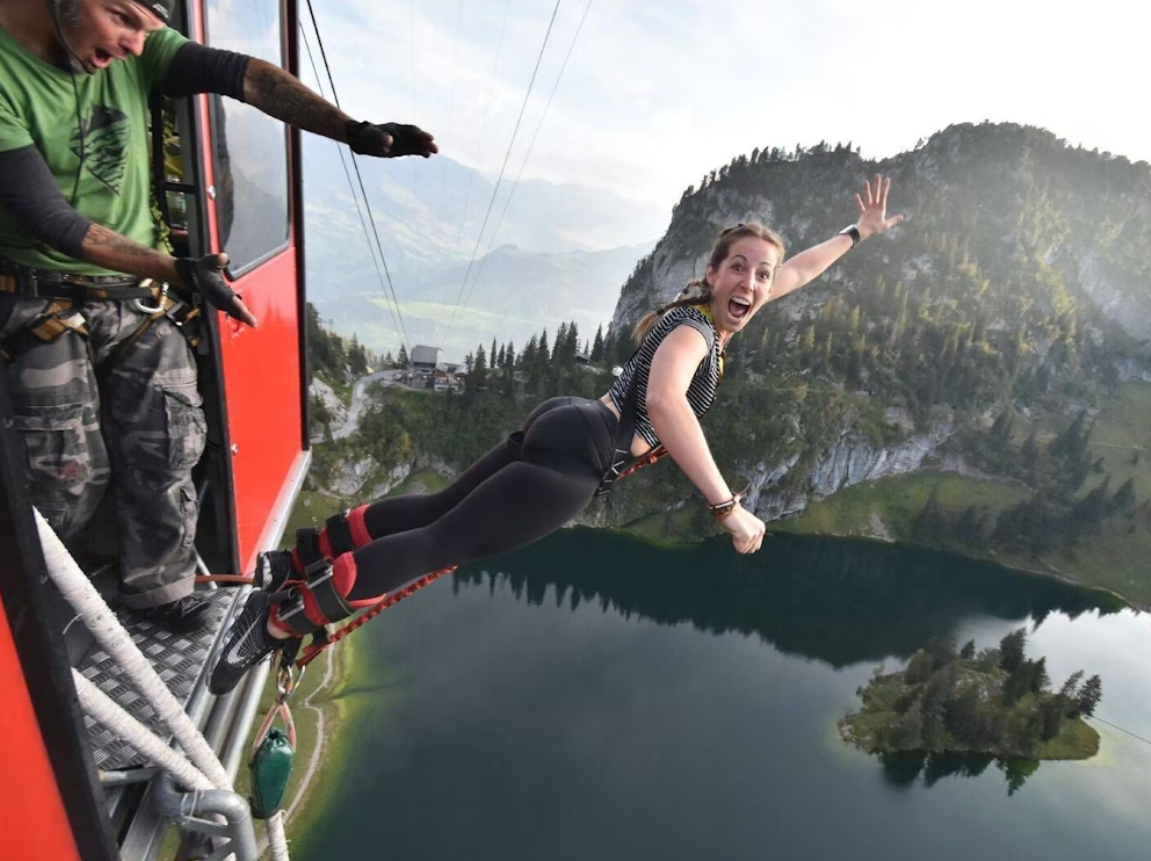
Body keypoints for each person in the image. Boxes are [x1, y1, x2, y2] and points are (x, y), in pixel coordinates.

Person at [210, 174, 904, 693]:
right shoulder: (694, 331)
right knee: (436, 541)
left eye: (760, 273)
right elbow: (665, 402)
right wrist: (727, 507)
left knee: (430, 511)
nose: (754, 281)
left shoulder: (707, 313)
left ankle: (291, 563)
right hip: (581, 459)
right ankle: (276, 622)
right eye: (739, 268)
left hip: (569, 418)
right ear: (713, 273)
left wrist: (855, 235)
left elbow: (798, 271)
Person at [0, 0, 436, 631]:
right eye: (120, 17)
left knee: (169, 443)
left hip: (134, 293)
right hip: (42, 297)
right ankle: (37, 611)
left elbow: (251, 77)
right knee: (65, 479)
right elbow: (55, 223)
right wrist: (179, 271)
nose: (132, 43)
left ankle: (160, 591)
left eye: (144, 25)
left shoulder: (137, 46)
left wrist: (353, 131)